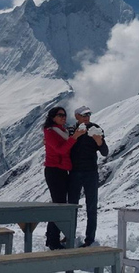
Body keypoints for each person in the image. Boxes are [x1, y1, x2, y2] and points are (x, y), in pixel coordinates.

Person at [43, 106, 86, 250]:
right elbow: (61, 149)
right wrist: (74, 138)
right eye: (60, 115)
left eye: (64, 115)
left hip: (61, 171)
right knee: (59, 205)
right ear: (53, 117)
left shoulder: (63, 131)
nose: (63, 117)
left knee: (58, 204)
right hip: (54, 171)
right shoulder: (50, 132)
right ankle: (53, 241)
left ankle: (51, 238)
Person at [68, 106, 109, 247]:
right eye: (84, 115)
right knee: (71, 206)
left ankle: (89, 239)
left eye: (89, 114)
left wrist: (99, 141)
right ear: (77, 116)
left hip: (90, 172)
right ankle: (69, 235)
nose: (87, 117)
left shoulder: (95, 129)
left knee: (91, 207)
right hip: (74, 172)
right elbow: (65, 149)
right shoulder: (71, 131)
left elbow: (105, 152)